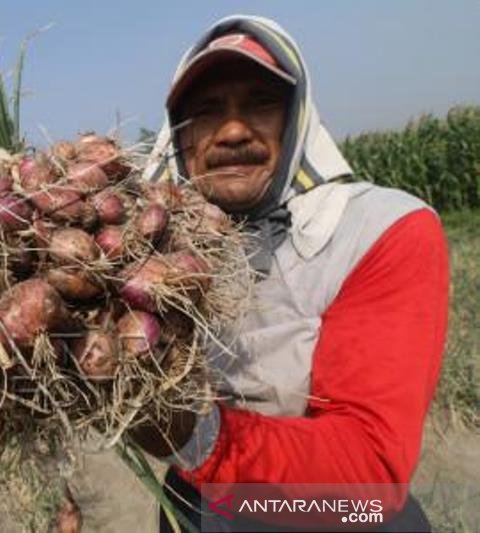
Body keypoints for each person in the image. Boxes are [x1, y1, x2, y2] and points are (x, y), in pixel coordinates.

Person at [131, 15, 449, 532]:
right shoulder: (155, 253)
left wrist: (192, 436)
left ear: (297, 118)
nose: (233, 131)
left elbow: (370, 476)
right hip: (194, 507)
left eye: (260, 103)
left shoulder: (381, 229)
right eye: (207, 112)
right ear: (180, 139)